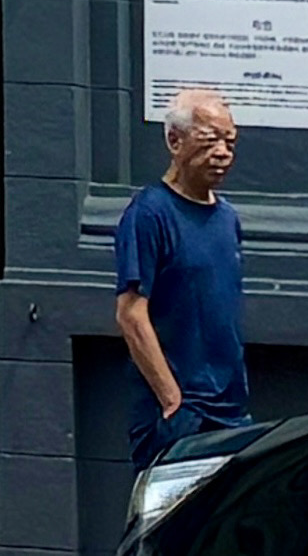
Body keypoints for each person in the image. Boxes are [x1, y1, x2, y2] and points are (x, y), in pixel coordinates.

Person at [109, 88, 251, 498]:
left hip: (231, 410)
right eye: (210, 140)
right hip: (178, 415)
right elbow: (131, 314)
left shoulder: (227, 219)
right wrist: (172, 400)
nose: (224, 152)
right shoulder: (149, 214)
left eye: (230, 141)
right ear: (175, 141)